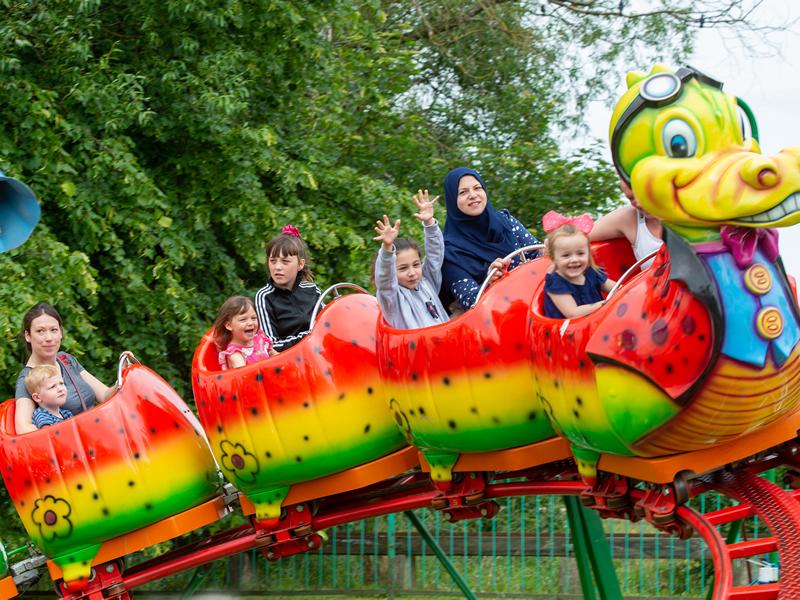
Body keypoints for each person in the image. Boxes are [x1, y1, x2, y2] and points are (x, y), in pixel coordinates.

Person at [441, 167, 540, 311]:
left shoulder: (506, 221)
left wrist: (554, 246)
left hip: (535, 299)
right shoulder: (449, 250)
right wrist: (490, 280)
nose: (473, 195)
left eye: (477, 188)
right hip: (495, 318)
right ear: (452, 199)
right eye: (463, 192)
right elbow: (469, 301)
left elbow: (537, 252)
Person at [15, 303, 114, 434]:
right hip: (75, 449)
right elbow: (23, 428)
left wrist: (125, 375)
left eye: (54, 330)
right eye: (40, 331)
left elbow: (106, 395)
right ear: (28, 336)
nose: (49, 338)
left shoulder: (66, 359)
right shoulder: (28, 378)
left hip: (101, 436)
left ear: (61, 333)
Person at [372, 189, 449, 329]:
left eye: (416, 265)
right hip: (416, 350)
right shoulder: (391, 298)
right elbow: (385, 279)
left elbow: (435, 255)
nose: (412, 272)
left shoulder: (427, 282)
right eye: (403, 268)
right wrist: (387, 248)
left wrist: (429, 223)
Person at [254, 225, 322, 352]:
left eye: (285, 262)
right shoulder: (264, 297)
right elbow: (270, 346)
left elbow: (326, 325)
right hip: (287, 363)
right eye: (273, 261)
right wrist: (309, 337)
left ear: (300, 264)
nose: (277, 267)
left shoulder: (312, 290)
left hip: (318, 355)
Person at [542, 211, 617, 319]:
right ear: (554, 258)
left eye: (580, 253)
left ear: (588, 253)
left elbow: (617, 289)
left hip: (595, 324)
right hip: (567, 332)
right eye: (566, 255)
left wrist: (627, 293)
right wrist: (605, 304)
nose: (574, 259)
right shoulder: (555, 282)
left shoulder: (590, 272)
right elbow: (573, 313)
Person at [589, 179, 663, 267]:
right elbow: (578, 233)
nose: (638, 203)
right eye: (631, 198)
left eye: (642, 195)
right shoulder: (630, 218)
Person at [214, 296, 275, 370]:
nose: (250, 323)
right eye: (243, 319)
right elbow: (244, 376)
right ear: (229, 326)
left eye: (253, 318)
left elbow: (276, 355)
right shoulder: (235, 354)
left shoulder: (260, 338)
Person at [25, 365, 74, 429]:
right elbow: (48, 435)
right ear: (37, 397)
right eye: (52, 386)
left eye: (61, 383)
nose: (60, 389)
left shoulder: (66, 413)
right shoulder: (42, 416)